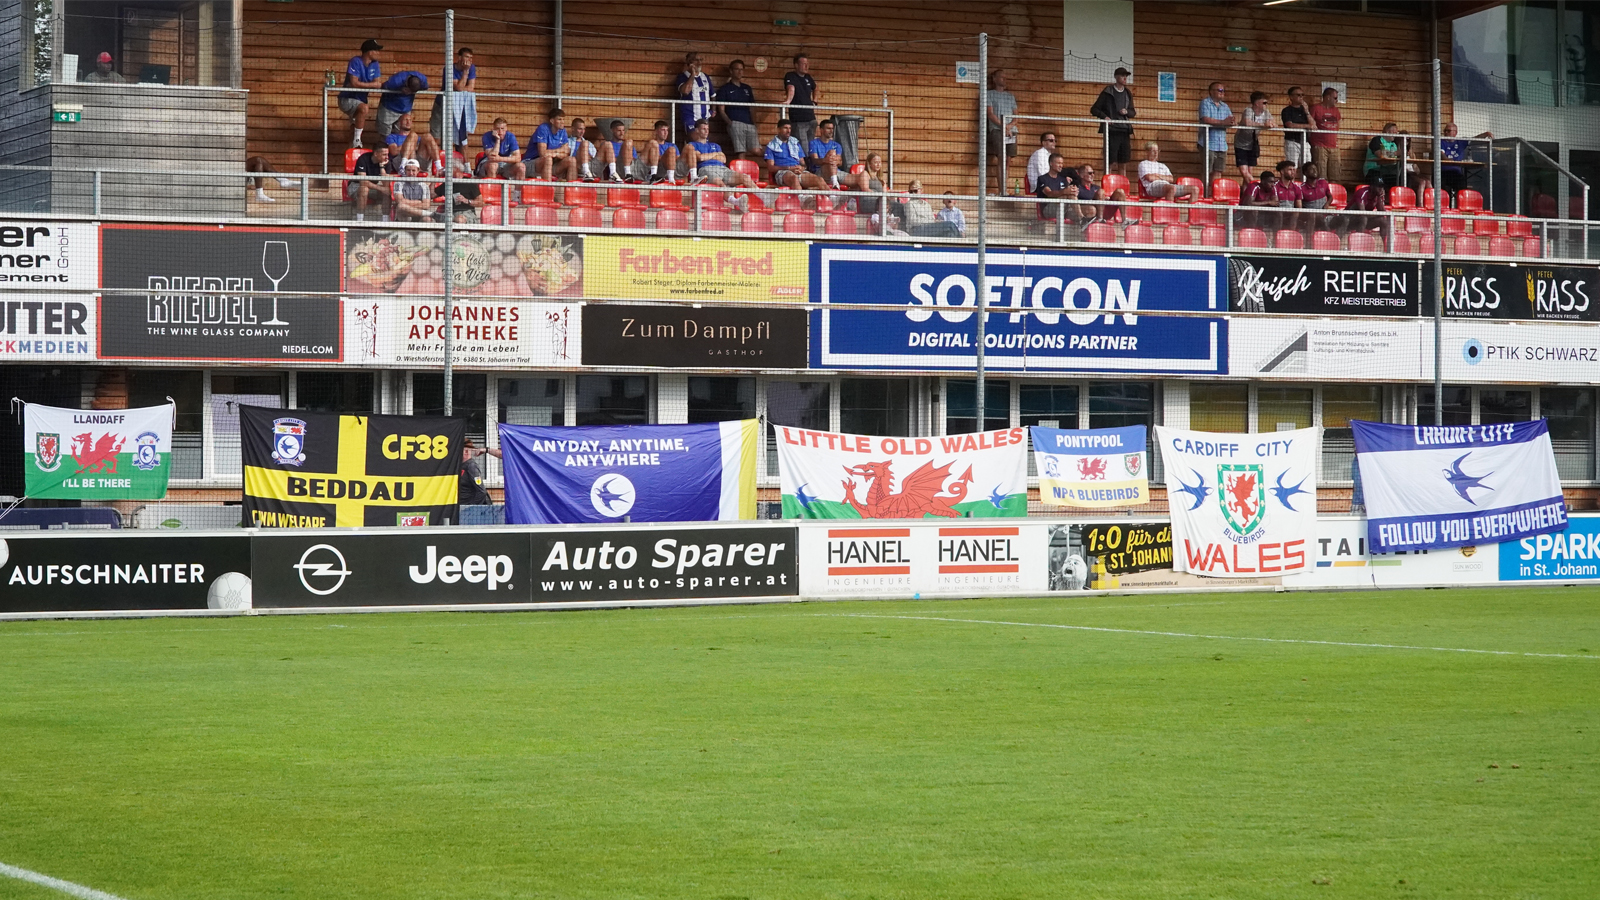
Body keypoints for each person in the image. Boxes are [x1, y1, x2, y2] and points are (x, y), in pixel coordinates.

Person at [681, 119, 757, 193]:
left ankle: (762, 197)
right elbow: (700, 157)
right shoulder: (692, 145)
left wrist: (707, 156)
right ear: (697, 130)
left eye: (707, 129)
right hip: (706, 169)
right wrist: (716, 154)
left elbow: (723, 159)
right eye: (703, 129)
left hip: (723, 169)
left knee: (746, 178)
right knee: (721, 185)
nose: (706, 131)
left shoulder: (715, 145)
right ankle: (734, 201)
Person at [1089, 67, 1137, 180]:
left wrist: (1127, 112)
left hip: (1124, 131)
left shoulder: (1127, 93)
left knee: (1123, 162)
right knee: (1109, 162)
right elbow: (1094, 109)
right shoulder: (1107, 92)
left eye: (1126, 76)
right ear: (1116, 77)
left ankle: (1122, 188)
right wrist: (1105, 117)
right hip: (1112, 131)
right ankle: (1107, 186)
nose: (1125, 78)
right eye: (1122, 75)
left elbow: (1133, 112)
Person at [429, 47, 478, 157]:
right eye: (466, 57)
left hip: (459, 107)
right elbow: (459, 87)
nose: (469, 60)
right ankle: (435, 165)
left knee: (461, 138)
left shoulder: (472, 68)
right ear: (459, 58)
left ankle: (464, 167)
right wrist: (465, 72)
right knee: (436, 137)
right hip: (442, 105)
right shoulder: (449, 68)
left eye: (471, 58)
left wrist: (466, 73)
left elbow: (471, 87)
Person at [339, 40, 382, 148]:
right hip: (347, 98)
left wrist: (364, 85)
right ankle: (358, 141)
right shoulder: (355, 61)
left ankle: (352, 150)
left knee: (354, 128)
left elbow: (378, 83)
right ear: (370, 52)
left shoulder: (375, 64)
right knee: (364, 108)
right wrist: (371, 85)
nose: (378, 53)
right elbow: (354, 83)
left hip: (361, 98)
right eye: (376, 50)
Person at [716, 59, 760, 162]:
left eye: (742, 69)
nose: (740, 72)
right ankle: (742, 176)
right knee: (741, 152)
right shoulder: (725, 89)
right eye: (737, 69)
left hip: (749, 123)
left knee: (757, 150)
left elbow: (752, 107)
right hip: (735, 123)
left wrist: (755, 123)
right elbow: (721, 109)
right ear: (731, 71)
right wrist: (730, 123)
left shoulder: (747, 88)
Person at [985, 69, 1019, 192]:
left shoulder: (1010, 96)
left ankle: (1005, 187)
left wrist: (1009, 127)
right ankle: (1001, 190)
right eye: (1001, 77)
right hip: (997, 129)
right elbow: (990, 113)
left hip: (1011, 130)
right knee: (1001, 157)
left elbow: (1016, 116)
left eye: (1006, 77)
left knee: (1008, 160)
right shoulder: (989, 94)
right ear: (994, 79)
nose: (1004, 79)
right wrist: (1003, 127)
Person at [1440, 123, 1493, 198]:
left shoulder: (1460, 142)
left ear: (1455, 133)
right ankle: (1446, 208)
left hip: (1456, 173)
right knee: (1444, 190)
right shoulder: (1441, 141)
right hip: (1444, 172)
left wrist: (1486, 134)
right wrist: (1451, 161)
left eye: (1448, 131)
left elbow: (1474, 139)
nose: (1445, 133)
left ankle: (1461, 208)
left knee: (1462, 187)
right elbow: (1441, 155)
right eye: (1445, 131)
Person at [1198, 81, 1237, 182]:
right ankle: (1205, 194)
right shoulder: (1205, 103)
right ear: (1211, 91)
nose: (1222, 92)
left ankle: (1214, 194)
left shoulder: (1225, 106)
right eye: (1219, 90)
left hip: (1221, 145)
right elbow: (1206, 119)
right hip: (1208, 143)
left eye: (1223, 90)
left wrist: (1232, 122)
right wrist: (1223, 122)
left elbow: (1230, 119)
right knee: (1207, 170)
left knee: (1218, 171)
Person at [764, 119, 820, 189]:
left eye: (790, 128)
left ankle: (833, 198)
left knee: (819, 179)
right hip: (782, 172)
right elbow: (770, 168)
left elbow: (803, 163)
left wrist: (802, 168)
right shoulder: (771, 146)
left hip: (798, 171)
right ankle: (803, 198)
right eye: (785, 128)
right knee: (794, 178)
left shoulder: (795, 143)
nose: (788, 131)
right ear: (778, 129)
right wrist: (789, 168)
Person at [1235, 91, 1275, 181]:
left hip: (1253, 144)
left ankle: (1247, 193)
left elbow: (1274, 123)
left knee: (1249, 172)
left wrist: (1270, 124)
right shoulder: (1249, 110)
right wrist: (1263, 125)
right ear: (1257, 103)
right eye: (1264, 103)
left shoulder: (1266, 112)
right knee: (1245, 172)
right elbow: (1247, 122)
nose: (1266, 105)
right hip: (1241, 144)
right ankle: (1256, 186)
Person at [783, 52, 820, 146]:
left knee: (811, 146)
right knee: (803, 147)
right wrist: (788, 101)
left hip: (811, 118)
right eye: (803, 64)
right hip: (798, 119)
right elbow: (791, 88)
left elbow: (815, 88)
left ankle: (810, 161)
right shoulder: (791, 76)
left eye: (807, 64)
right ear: (796, 65)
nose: (806, 66)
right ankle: (804, 161)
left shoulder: (808, 77)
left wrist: (815, 100)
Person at [376, 70, 427, 137]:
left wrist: (412, 91)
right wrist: (399, 90)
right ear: (406, 85)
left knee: (402, 134)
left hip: (406, 109)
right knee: (385, 134)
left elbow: (426, 87)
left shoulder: (422, 79)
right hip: (389, 107)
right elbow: (384, 86)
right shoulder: (396, 80)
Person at [1309, 86, 1343, 185]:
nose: (1336, 100)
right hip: (1320, 145)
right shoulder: (1316, 108)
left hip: (1334, 146)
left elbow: (1338, 125)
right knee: (1321, 174)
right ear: (1328, 97)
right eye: (1335, 98)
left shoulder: (1335, 110)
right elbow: (1311, 124)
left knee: (1335, 174)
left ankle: (1333, 196)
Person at [676, 51, 714, 138]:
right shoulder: (682, 77)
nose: (699, 63)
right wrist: (692, 74)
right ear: (689, 62)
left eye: (701, 60)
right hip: (690, 116)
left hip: (704, 117)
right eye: (696, 60)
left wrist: (713, 110)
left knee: (703, 142)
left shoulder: (705, 77)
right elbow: (685, 91)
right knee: (694, 139)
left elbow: (713, 95)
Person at [351, 143, 393, 221]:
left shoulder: (386, 162)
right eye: (384, 154)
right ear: (376, 154)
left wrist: (382, 167)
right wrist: (381, 189)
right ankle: (359, 220)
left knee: (387, 192)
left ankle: (385, 221)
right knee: (364, 189)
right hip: (356, 186)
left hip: (374, 186)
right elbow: (362, 181)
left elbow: (386, 184)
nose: (387, 157)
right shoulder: (363, 159)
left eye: (387, 154)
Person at [530, 109, 575, 181]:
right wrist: (559, 151)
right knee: (548, 159)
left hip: (552, 164)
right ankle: (547, 190)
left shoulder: (563, 131)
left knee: (571, 160)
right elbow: (542, 153)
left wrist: (556, 154)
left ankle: (572, 190)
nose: (562, 122)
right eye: (559, 119)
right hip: (533, 163)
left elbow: (566, 153)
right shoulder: (543, 128)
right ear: (552, 121)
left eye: (563, 119)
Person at [458, 440, 501, 507]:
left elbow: (481, 492)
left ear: (466, 451)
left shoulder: (471, 466)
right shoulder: (459, 466)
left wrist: (471, 507)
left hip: (468, 509)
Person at [634, 120, 679, 184]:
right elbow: (650, 160)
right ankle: (653, 176)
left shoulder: (672, 146)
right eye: (663, 130)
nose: (666, 133)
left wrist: (665, 158)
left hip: (667, 169)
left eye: (667, 130)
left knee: (671, 150)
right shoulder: (651, 145)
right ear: (656, 132)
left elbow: (677, 160)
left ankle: (671, 179)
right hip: (653, 169)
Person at [1035, 152, 1076, 221]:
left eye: (1062, 163)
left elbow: (1069, 194)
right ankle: (1082, 219)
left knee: (1089, 209)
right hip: (1048, 210)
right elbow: (1049, 193)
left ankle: (1082, 220)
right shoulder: (1042, 179)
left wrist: (1074, 191)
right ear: (1051, 163)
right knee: (1066, 196)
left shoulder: (1063, 179)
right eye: (1058, 163)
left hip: (1064, 209)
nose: (1061, 166)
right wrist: (1064, 191)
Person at [806, 118, 846, 190]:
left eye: (832, 129)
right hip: (820, 172)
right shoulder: (813, 143)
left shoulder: (837, 145)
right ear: (821, 130)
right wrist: (826, 160)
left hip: (836, 171)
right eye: (828, 128)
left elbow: (840, 162)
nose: (831, 131)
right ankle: (834, 182)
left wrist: (833, 161)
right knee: (832, 153)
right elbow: (815, 161)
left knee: (859, 178)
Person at [1281, 86, 1312, 168]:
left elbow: (1313, 125)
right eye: (1298, 95)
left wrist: (1307, 112)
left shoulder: (1305, 110)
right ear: (1291, 97)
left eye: (1302, 95)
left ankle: (1306, 181)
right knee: (1291, 166)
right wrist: (1306, 126)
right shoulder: (1287, 110)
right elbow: (1289, 125)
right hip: (1292, 141)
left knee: (1307, 166)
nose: (1301, 97)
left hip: (1305, 141)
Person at [1364, 122, 1402, 188]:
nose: (1396, 134)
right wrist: (1395, 153)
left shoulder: (1393, 144)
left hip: (1388, 171)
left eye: (1396, 132)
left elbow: (1401, 154)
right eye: (1394, 132)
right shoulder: (1376, 140)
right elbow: (1381, 155)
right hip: (1374, 170)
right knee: (1379, 183)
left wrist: (1391, 153)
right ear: (1387, 131)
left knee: (1403, 178)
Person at [597, 119, 635, 183]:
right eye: (619, 131)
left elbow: (633, 159)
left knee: (629, 142)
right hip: (612, 167)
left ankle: (628, 175)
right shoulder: (606, 144)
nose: (622, 133)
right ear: (612, 130)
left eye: (623, 130)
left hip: (626, 166)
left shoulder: (627, 145)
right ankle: (613, 175)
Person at [568, 117, 598, 182]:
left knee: (585, 143)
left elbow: (594, 157)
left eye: (584, 129)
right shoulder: (567, 142)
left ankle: (587, 172)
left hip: (590, 166)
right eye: (580, 129)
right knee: (584, 144)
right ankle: (586, 172)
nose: (582, 132)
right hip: (574, 166)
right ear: (573, 129)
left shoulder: (589, 144)